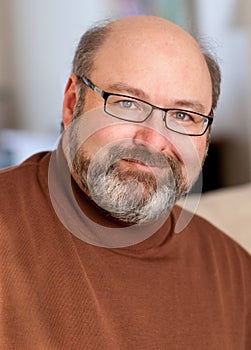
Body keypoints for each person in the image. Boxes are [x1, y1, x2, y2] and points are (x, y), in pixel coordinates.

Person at [0, 15, 250, 349]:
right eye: (127, 103)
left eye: (182, 115)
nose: (154, 139)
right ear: (72, 102)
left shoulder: (235, 272)